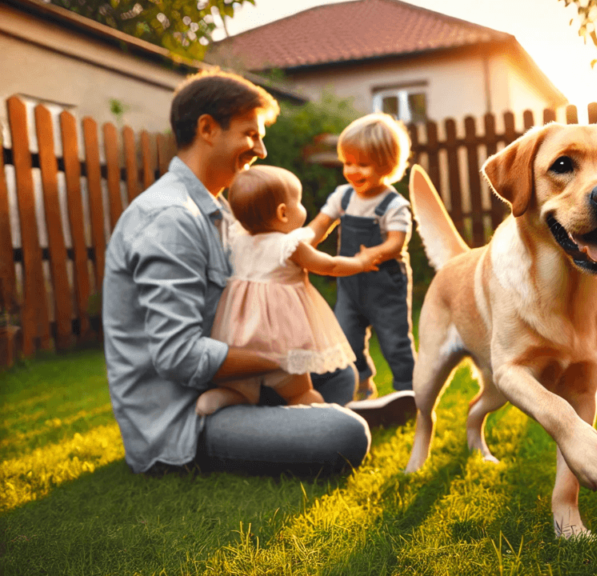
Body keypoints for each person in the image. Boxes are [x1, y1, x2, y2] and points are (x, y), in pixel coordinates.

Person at [103, 70, 408, 477]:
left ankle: (321, 413)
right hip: (184, 419)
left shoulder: (221, 212)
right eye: (251, 134)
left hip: (226, 387)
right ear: (208, 129)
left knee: (339, 373)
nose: (262, 150)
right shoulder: (170, 219)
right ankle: (334, 420)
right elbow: (178, 355)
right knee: (344, 435)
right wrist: (281, 358)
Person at [195, 165, 382, 416]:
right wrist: (361, 262)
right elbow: (329, 265)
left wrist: (328, 219)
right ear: (283, 213)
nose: (302, 207)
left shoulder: (240, 239)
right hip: (279, 342)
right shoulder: (289, 246)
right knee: (300, 392)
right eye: (299, 202)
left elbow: (309, 234)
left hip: (239, 340)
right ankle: (324, 420)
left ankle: (221, 396)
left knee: (241, 388)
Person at [307, 113, 417, 402]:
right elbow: (320, 225)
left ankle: (409, 390)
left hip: (385, 287)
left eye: (363, 164)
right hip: (350, 285)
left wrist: (374, 253)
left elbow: (396, 242)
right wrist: (303, 242)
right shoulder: (343, 196)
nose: (353, 171)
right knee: (346, 338)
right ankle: (363, 381)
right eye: (348, 162)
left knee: (395, 342)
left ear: (387, 165)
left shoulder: (393, 204)